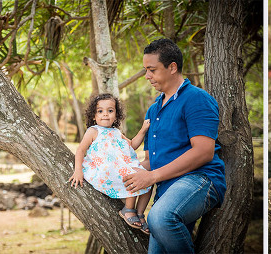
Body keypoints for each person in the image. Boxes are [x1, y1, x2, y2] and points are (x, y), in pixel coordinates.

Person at [121, 38, 226, 253]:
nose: (147, 76)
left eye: (152, 70)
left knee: (159, 218)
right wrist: (127, 173)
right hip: (167, 189)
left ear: (172, 67)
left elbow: (204, 152)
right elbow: (150, 160)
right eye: (145, 70)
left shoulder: (197, 99)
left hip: (200, 180)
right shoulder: (153, 111)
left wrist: (151, 177)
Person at [68, 93, 153, 234]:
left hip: (120, 168)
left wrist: (143, 130)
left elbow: (132, 145)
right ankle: (128, 210)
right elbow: (81, 150)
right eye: (100, 111)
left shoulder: (116, 132)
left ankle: (140, 213)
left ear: (116, 115)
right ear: (93, 116)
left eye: (110, 111)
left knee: (148, 178)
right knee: (131, 175)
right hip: (104, 170)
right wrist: (78, 170)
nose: (105, 114)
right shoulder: (93, 131)